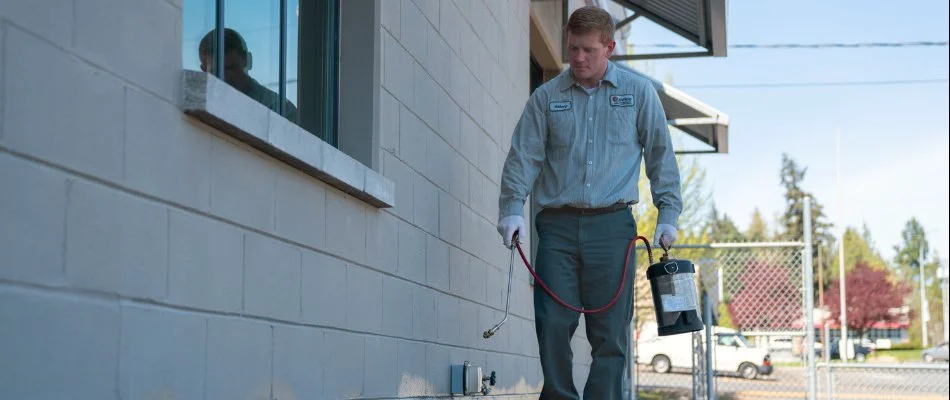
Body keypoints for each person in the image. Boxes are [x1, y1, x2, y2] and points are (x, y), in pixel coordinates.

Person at [496, 6, 682, 399]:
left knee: (611, 331)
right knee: (552, 322)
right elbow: (523, 156)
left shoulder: (638, 95)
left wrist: (668, 213)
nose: (577, 58)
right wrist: (512, 207)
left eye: (587, 50)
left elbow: (661, 157)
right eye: (572, 48)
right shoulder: (546, 99)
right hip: (558, 228)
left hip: (613, 229)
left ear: (609, 48)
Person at [198, 28, 298, 123]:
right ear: (204, 70)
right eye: (216, 71)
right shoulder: (199, 105)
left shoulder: (278, 109)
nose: (225, 77)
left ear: (246, 60)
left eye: (232, 68)